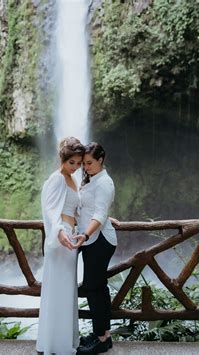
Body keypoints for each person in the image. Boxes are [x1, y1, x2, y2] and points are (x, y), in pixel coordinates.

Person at [36, 137, 87, 355]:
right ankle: (54, 344)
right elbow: (49, 209)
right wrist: (58, 232)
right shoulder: (57, 179)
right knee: (58, 290)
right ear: (63, 159)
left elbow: (77, 210)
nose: (75, 167)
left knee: (66, 291)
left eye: (79, 163)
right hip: (62, 239)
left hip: (70, 237)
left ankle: (64, 341)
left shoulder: (73, 180)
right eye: (71, 163)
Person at [75, 142, 117, 354]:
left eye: (89, 163)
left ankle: (101, 339)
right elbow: (91, 208)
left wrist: (85, 233)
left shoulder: (104, 183)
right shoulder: (93, 180)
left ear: (101, 159)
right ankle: (103, 335)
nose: (85, 167)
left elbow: (99, 214)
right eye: (83, 163)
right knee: (97, 288)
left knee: (94, 289)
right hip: (92, 239)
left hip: (98, 240)